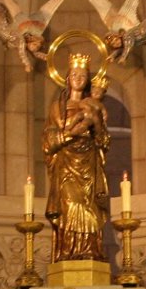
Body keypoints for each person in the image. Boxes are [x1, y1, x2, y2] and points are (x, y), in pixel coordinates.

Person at [43, 53, 110, 262]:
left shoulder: (96, 107)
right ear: (67, 78)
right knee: (70, 205)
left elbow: (104, 140)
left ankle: (89, 251)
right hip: (65, 165)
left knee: (89, 209)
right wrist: (68, 134)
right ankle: (68, 251)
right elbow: (48, 138)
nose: (78, 78)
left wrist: (96, 124)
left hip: (89, 163)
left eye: (83, 75)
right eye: (74, 74)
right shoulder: (57, 107)